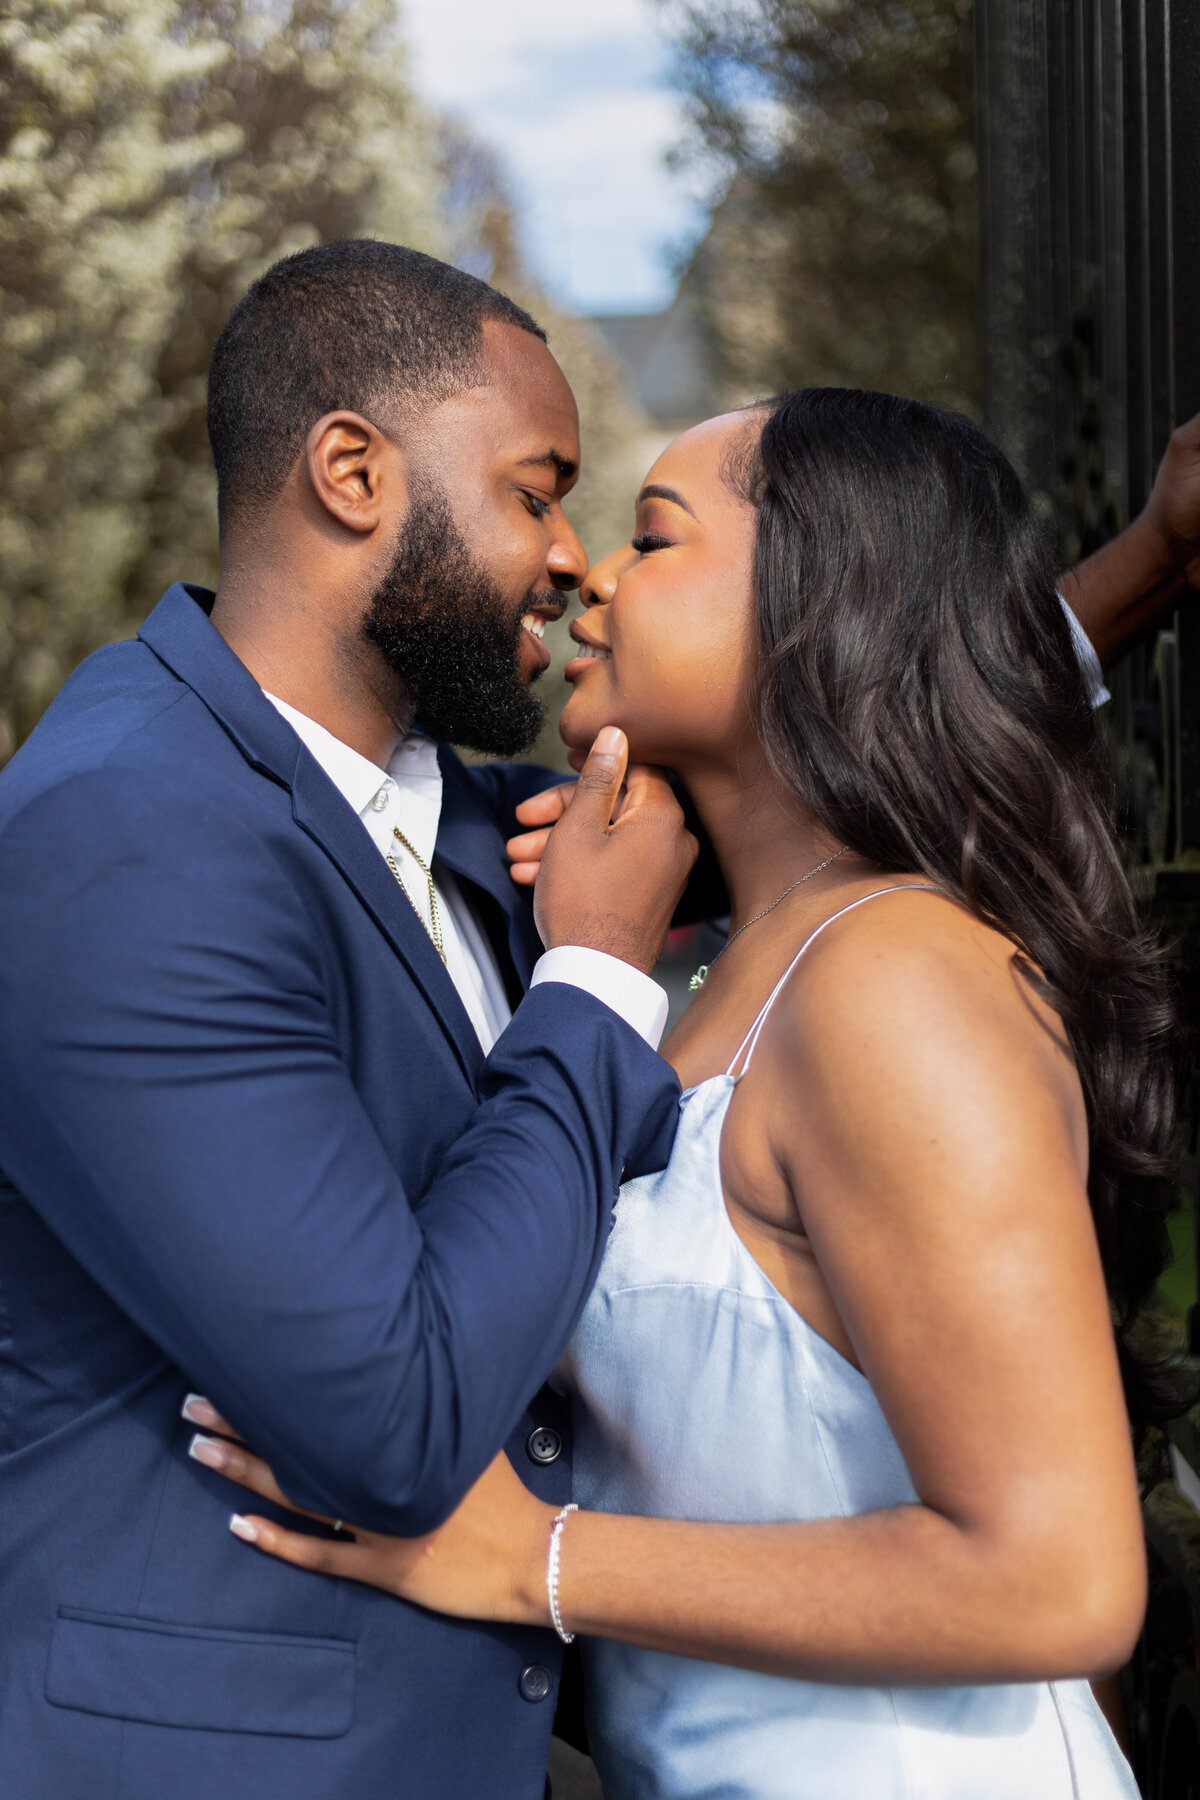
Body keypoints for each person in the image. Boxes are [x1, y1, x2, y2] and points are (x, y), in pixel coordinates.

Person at [206, 388, 1193, 1799]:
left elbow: (1057, 1577)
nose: (594, 574)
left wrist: (525, 1560)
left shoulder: (894, 978)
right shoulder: (708, 973)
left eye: (653, 539)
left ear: (819, 600)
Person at [0, 240, 698, 1799]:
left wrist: (1136, 569)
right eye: (534, 491)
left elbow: (857, 732)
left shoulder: (450, 809)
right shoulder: (127, 835)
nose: (574, 555)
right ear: (352, 472)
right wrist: (590, 982)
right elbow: (394, 1423)